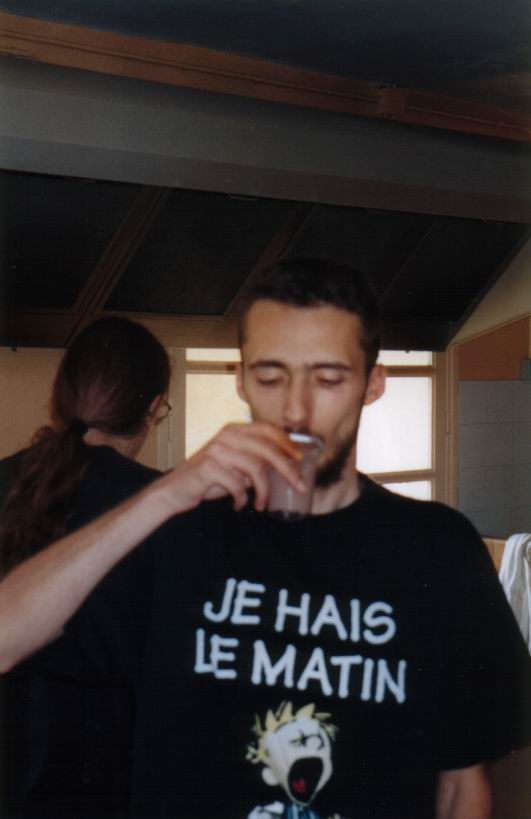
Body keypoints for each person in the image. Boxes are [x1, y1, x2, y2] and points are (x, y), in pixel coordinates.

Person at [0, 258, 530, 819]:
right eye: (272, 377)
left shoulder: (439, 549)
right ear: (242, 381)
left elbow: (462, 786)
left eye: (328, 378)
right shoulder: (176, 534)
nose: (296, 409)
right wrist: (162, 494)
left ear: (373, 384)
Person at [0, 316, 171, 818]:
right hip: (113, 778)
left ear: (62, 397)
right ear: (153, 408)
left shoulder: (6, 481)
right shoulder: (163, 504)